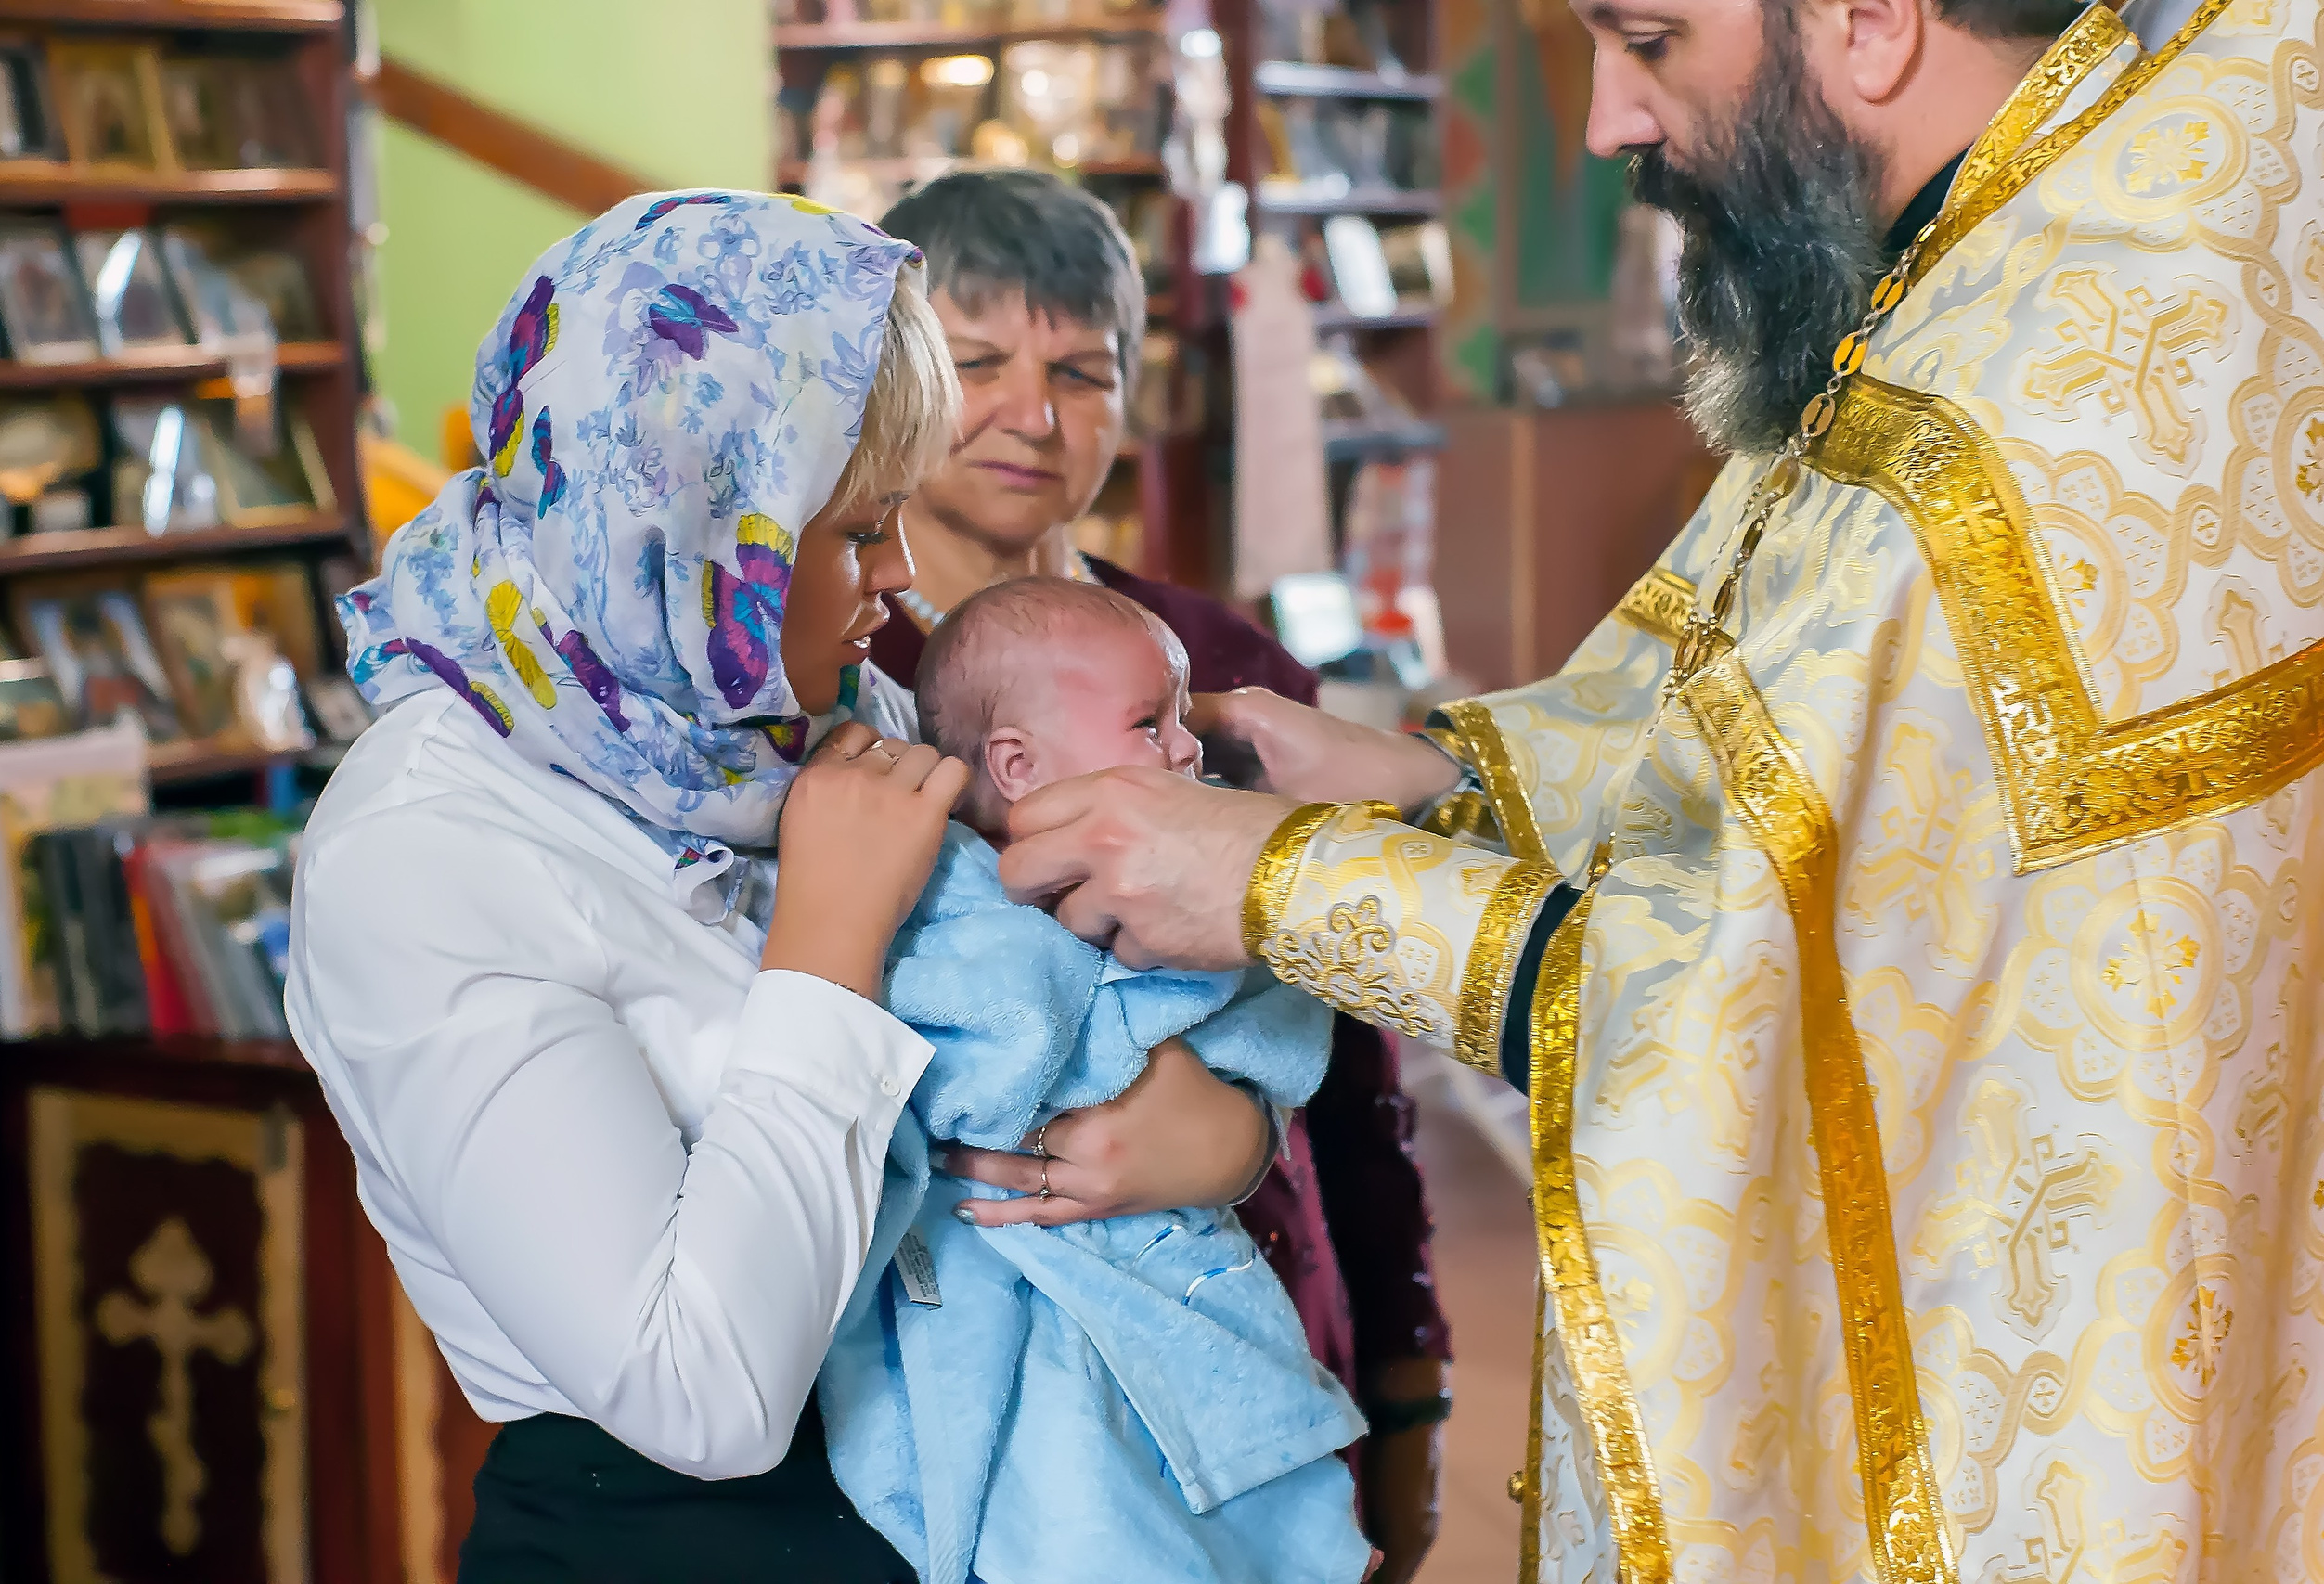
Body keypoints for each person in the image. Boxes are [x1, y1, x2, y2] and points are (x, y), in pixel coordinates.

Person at [988, 0, 2324, 1578]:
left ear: (1870, 22)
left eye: (1649, 42)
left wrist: (1287, 883)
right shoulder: (1993, 269)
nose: (1610, 122)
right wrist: (1440, 778)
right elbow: (1793, 749)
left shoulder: (2057, 398)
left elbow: (1817, 1002)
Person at [285, 191, 1275, 1583]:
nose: (900, 574)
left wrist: (1225, 1138)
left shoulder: (789, 708)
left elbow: (1092, 1030)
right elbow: (703, 1390)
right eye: (857, 526)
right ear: (690, 530)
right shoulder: (422, 852)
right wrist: (822, 948)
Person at [867, 167, 1452, 1582]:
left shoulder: (1229, 669)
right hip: (985, 1375)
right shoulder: (843, 682)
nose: (1036, 414)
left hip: (1254, 1301)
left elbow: (1358, 1050)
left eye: (1082, 369)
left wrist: (1407, 1372)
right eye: (980, 362)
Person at [823, 577, 1373, 1584]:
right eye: (1148, 724)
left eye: (1181, 718)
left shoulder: (1198, 876)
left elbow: (1284, 1022)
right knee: (1081, 1498)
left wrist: (1235, 1124)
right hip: (1011, 1277)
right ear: (1017, 764)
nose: (1186, 749)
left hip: (1167, 1262)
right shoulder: (939, 889)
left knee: (1237, 1510)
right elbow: (958, 1069)